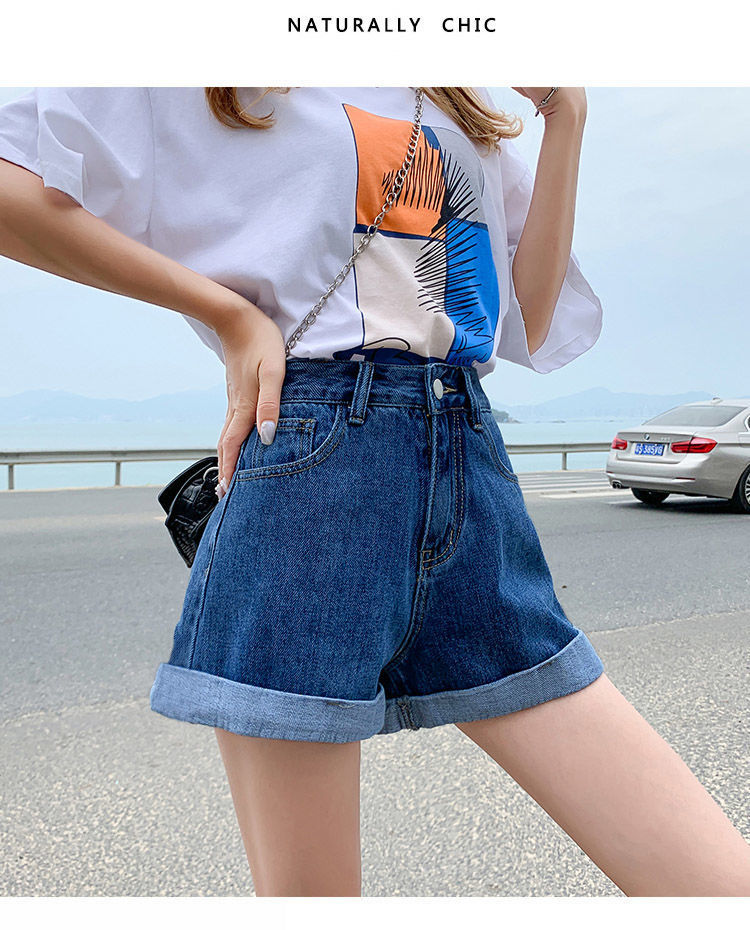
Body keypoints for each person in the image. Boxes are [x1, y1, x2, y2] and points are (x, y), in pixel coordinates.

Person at [0, 86, 748, 898]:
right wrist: (229, 315)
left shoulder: (453, 97)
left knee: (714, 884)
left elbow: (525, 319)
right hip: (314, 474)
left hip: (468, 464)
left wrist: (567, 119)